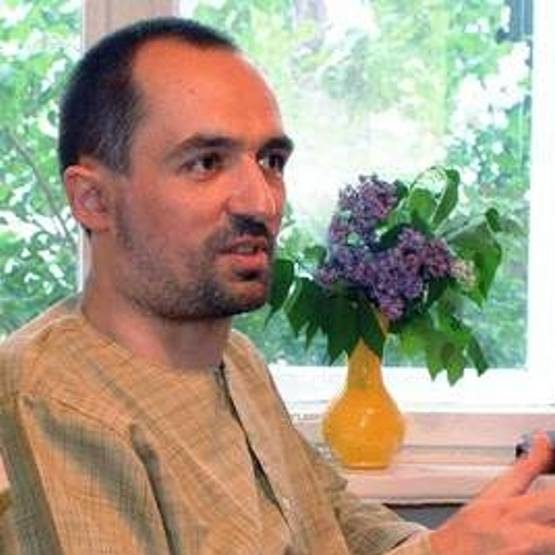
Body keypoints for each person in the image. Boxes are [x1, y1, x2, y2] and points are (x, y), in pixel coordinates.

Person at [0, 16, 554, 555]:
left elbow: (330, 515)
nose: (261, 202)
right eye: (206, 163)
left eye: (271, 160)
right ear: (93, 200)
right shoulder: (52, 399)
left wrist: (482, 535)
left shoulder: (236, 360)